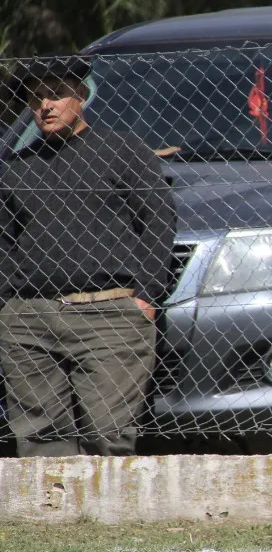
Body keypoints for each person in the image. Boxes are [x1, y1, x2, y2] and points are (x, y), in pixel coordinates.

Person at [0, 56, 176, 456]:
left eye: (56, 94)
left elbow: (158, 221)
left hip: (110, 312)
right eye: (35, 98)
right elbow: (4, 240)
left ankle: (114, 517)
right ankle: (50, 516)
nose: (45, 105)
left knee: (109, 435)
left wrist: (146, 295)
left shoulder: (123, 151)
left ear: (80, 95)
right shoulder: (15, 169)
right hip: (28, 318)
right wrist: (7, 305)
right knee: (40, 440)